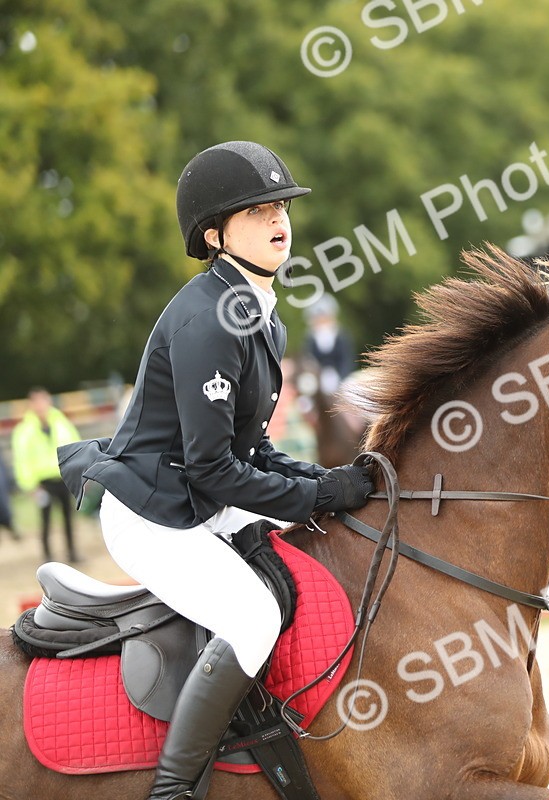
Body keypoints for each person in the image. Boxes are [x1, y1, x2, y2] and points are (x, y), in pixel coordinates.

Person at [57, 141, 374, 800]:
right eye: (256, 210)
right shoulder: (207, 320)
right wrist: (314, 494)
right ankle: (172, 792)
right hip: (155, 511)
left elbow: (252, 451)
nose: (277, 218)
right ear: (214, 233)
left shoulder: (260, 315)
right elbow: (213, 470)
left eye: (280, 205)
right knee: (253, 617)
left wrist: (327, 483)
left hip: (201, 492)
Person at [12, 388, 80, 562]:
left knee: (68, 517)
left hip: (63, 478)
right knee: (46, 521)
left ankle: (72, 552)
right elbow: (22, 459)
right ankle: (47, 556)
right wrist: (29, 485)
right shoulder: (24, 430)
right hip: (43, 482)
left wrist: (78, 474)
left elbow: (76, 447)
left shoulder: (62, 423)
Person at [303, 295, 357, 396]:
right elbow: (309, 359)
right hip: (318, 376)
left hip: (340, 375)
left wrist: (341, 377)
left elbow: (346, 359)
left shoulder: (341, 336)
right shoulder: (311, 338)